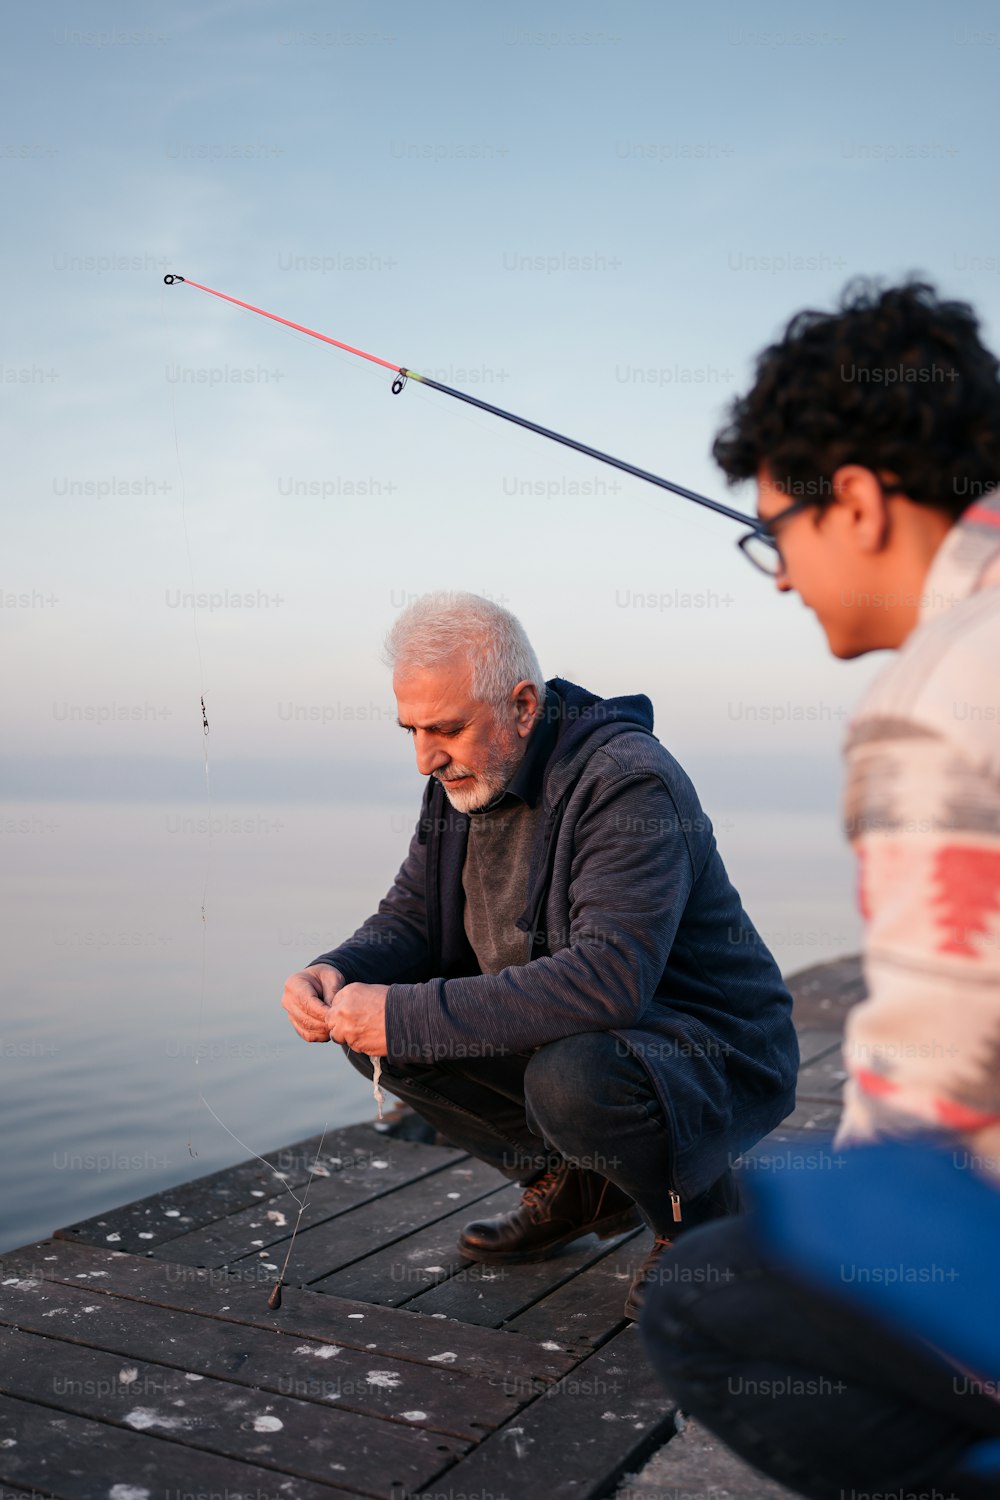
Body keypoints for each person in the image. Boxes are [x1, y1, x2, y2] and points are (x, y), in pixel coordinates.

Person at [640, 280, 1000, 1498]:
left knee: (706, 1293)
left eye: (772, 534)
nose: (781, 578)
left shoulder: (937, 701)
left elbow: (937, 1094)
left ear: (853, 499)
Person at [281, 591, 798, 1318]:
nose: (425, 757)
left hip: (709, 1045)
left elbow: (608, 981)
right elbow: (411, 921)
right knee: (368, 1020)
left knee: (570, 1077)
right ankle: (575, 1189)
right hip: (593, 1030)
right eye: (412, 730)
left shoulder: (627, 780)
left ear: (523, 706)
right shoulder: (461, 779)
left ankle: (703, 1223)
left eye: (447, 729)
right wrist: (334, 970)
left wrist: (405, 1012)